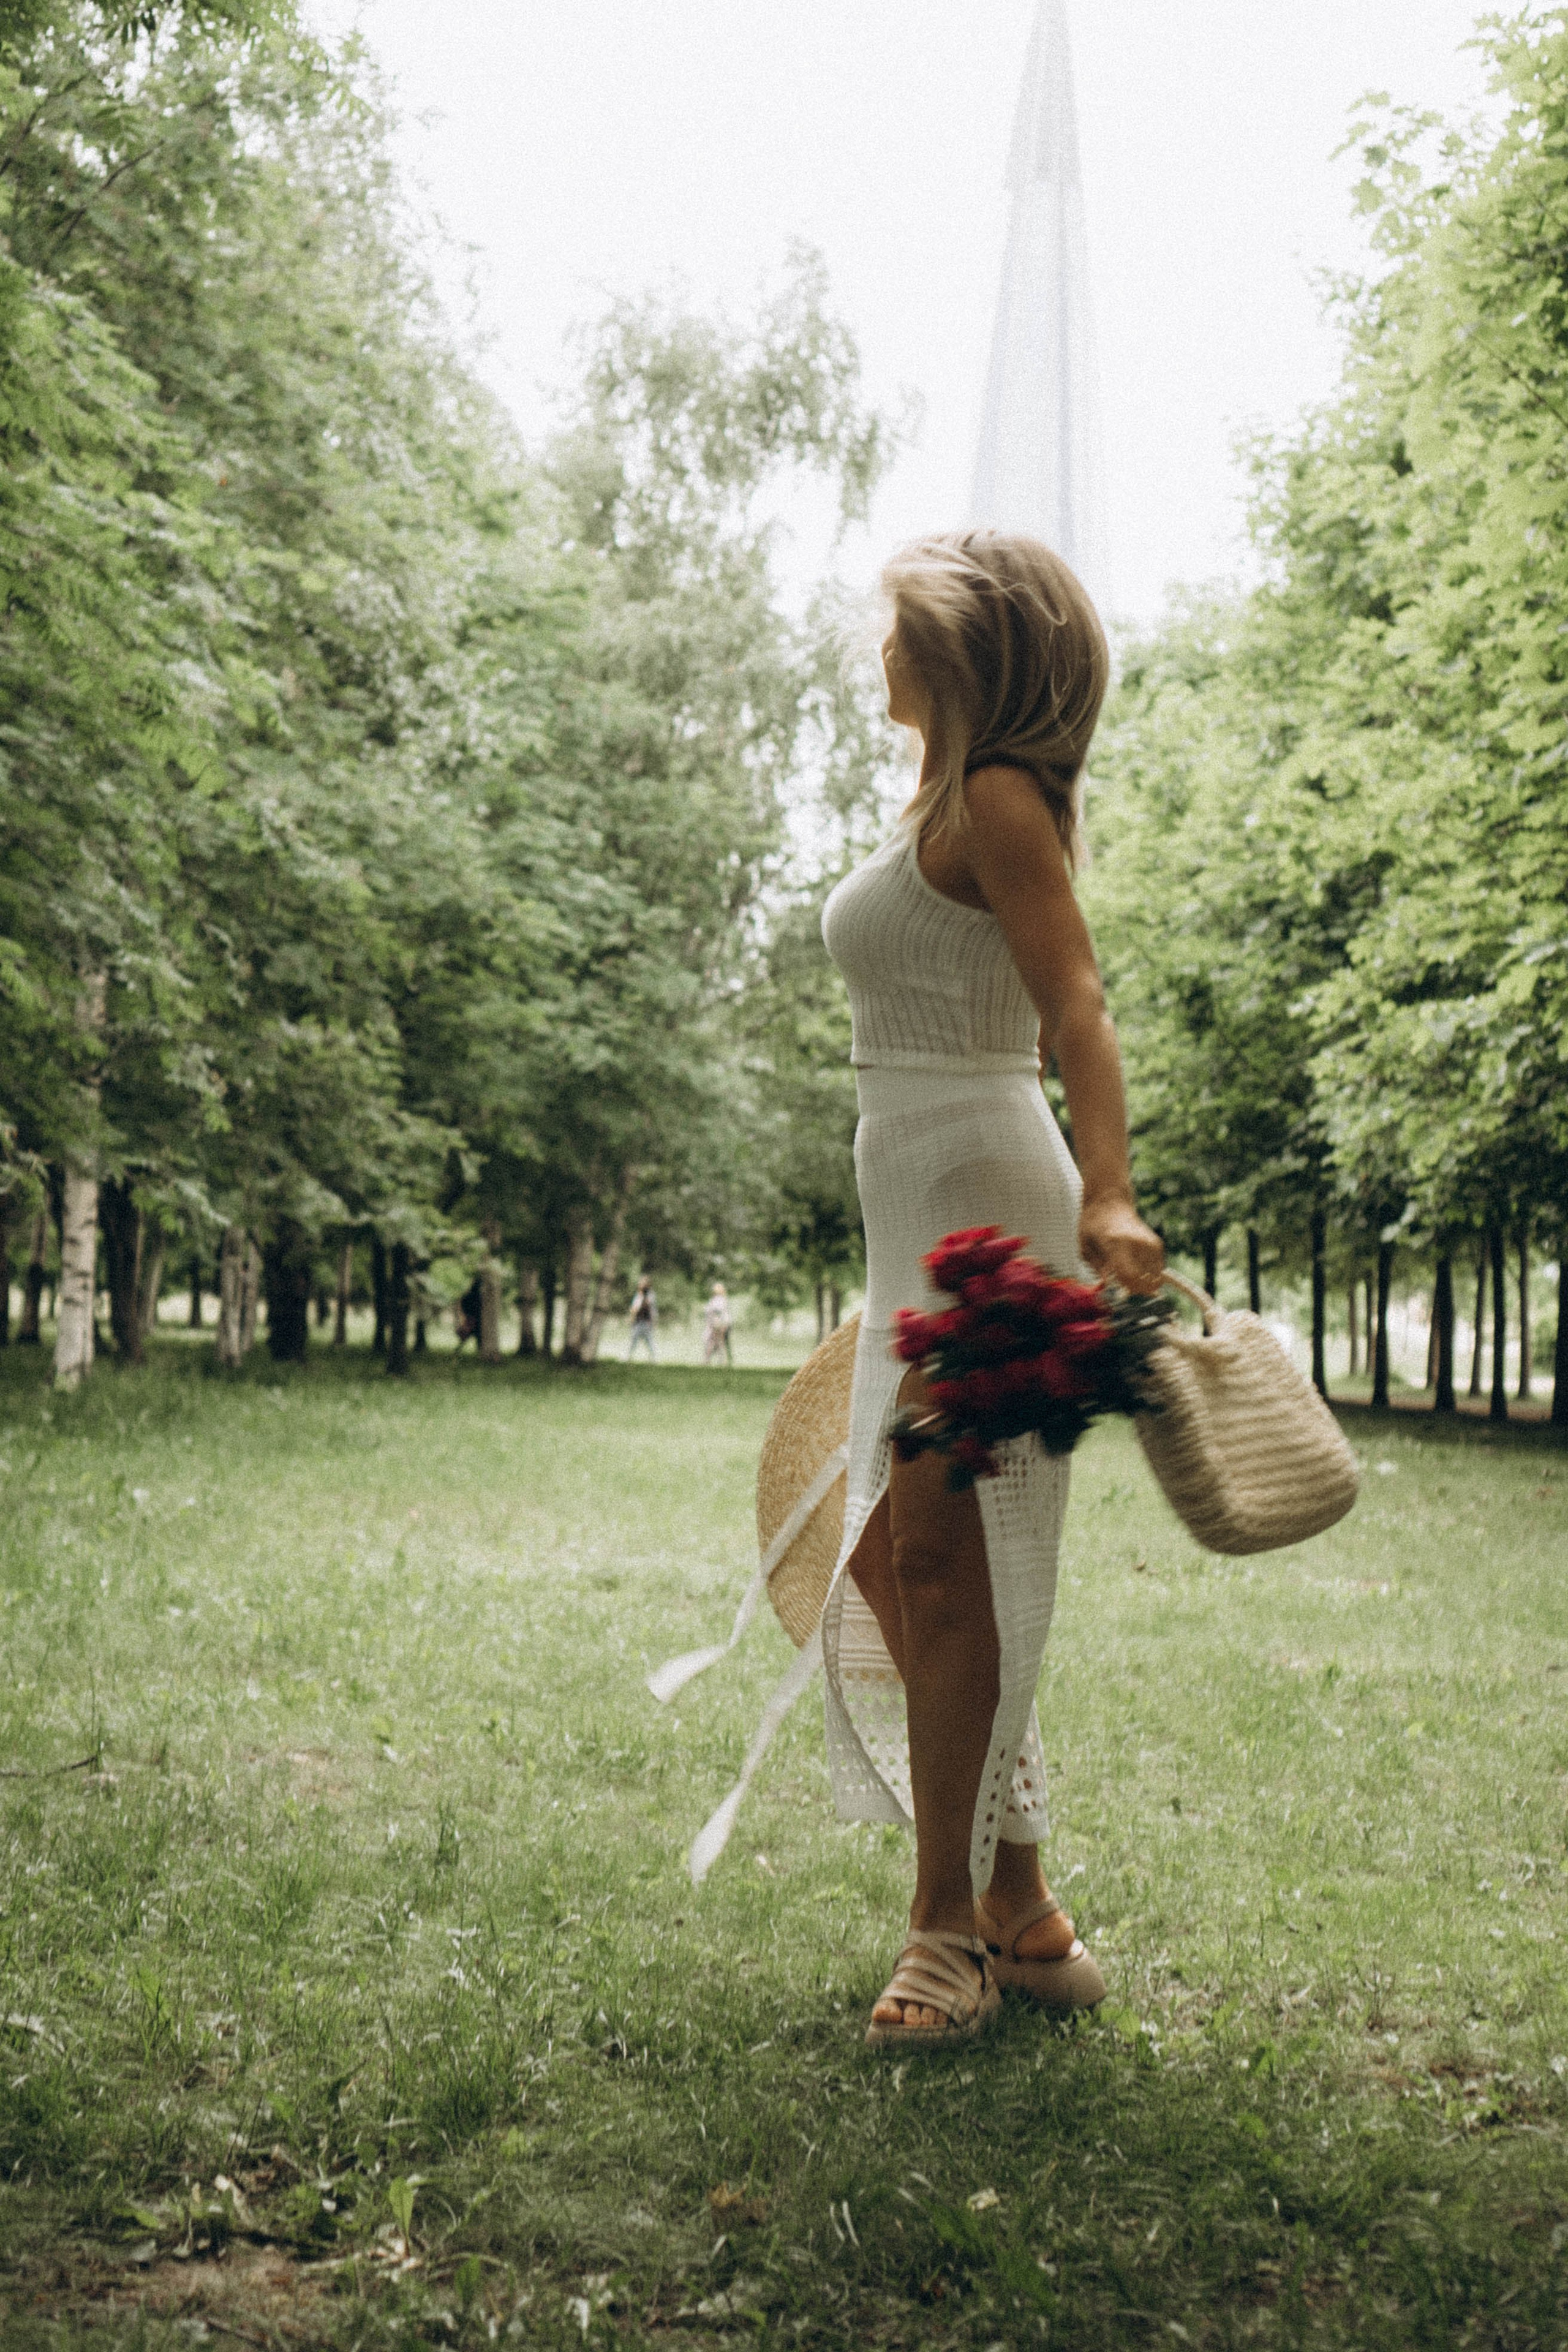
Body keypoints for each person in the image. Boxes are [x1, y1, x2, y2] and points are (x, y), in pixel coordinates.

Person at [817, 530, 1164, 2046]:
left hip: (984, 1193)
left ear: (954, 651)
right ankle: (1016, 1890)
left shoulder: (1001, 800)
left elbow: (1073, 1001)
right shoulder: (935, 804)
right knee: (896, 1567)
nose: (874, 653)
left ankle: (943, 1929)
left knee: (939, 1560)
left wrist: (1105, 1193)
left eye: (894, 630)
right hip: (917, 1184)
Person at [627, 1275, 658, 1362]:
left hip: (646, 1321)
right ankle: (629, 1357)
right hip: (638, 1321)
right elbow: (634, 1308)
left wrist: (653, 1321)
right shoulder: (638, 1295)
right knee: (634, 1340)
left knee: (649, 1341)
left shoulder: (650, 1295)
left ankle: (653, 1359)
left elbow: (649, 1308)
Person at [702, 1281, 733, 1365]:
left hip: (718, 1324)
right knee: (719, 1343)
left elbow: (717, 1313)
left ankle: (709, 1360)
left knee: (715, 1342)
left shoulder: (719, 1300)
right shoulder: (719, 1299)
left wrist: (716, 1324)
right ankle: (722, 1361)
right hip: (719, 1324)